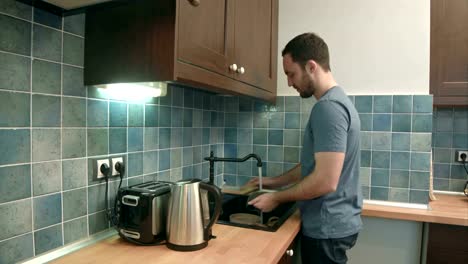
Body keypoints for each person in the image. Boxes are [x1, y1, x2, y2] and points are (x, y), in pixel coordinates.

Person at [247, 32, 362, 264]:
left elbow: (325, 180)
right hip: (334, 225)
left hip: (327, 228)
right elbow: (312, 167)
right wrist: (270, 182)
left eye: (291, 74)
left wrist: (277, 198)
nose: (289, 82)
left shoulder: (328, 109)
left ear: (311, 67)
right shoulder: (339, 102)